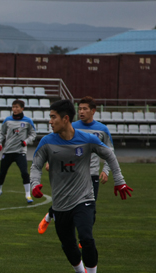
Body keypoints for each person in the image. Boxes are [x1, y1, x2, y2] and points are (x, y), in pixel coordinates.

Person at [30, 99, 133, 273]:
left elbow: (109, 154)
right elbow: (35, 165)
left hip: (84, 198)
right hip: (60, 203)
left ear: (65, 119)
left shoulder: (87, 139)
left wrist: (119, 180)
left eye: (53, 117)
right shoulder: (47, 142)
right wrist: (35, 184)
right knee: (67, 244)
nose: (50, 121)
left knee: (86, 237)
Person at [38, 96, 115, 234]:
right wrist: (50, 161)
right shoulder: (70, 127)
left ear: (93, 111)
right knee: (64, 201)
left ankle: (84, 237)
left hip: (92, 173)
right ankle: (50, 216)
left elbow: (110, 151)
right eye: (79, 109)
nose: (81, 112)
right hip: (71, 172)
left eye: (85, 109)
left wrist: (106, 170)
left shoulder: (102, 130)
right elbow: (56, 145)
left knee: (89, 207)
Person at [0, 100, 37, 204]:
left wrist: (26, 142)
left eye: (17, 107)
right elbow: (1, 133)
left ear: (22, 108)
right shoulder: (7, 120)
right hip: (8, 151)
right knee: (2, 174)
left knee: (24, 173)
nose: (15, 109)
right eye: (13, 107)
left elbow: (33, 134)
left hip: (20, 152)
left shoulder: (28, 121)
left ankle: (28, 195)